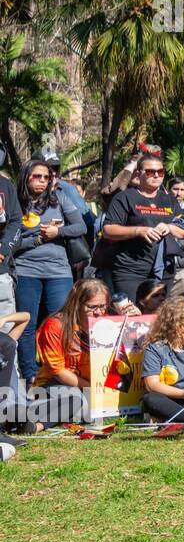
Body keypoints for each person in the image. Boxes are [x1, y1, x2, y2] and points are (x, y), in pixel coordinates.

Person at [12, 159, 86, 382]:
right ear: (26, 176)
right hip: (26, 270)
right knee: (27, 324)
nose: (42, 181)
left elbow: (81, 226)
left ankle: (59, 373)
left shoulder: (59, 198)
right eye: (37, 176)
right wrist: (35, 240)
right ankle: (30, 375)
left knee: (61, 324)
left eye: (46, 177)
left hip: (59, 272)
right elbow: (10, 243)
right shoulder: (15, 202)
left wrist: (57, 233)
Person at [101, 153, 184, 303]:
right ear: (138, 173)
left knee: (160, 319)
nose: (156, 176)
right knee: (132, 315)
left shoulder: (169, 199)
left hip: (164, 270)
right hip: (131, 270)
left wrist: (169, 227)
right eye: (150, 172)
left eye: (160, 172)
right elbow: (108, 230)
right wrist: (138, 231)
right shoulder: (125, 197)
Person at [31, 278, 112, 427]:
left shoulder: (107, 322)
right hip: (54, 384)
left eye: (103, 306)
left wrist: (132, 318)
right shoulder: (55, 325)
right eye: (92, 307)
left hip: (93, 386)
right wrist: (93, 388)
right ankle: (36, 412)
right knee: (82, 407)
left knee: (101, 411)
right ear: (76, 304)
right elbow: (58, 372)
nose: (99, 312)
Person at [0, 165, 20, 319]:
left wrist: (4, 249)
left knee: (5, 332)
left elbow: (15, 222)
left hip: (2, 271)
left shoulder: (6, 186)